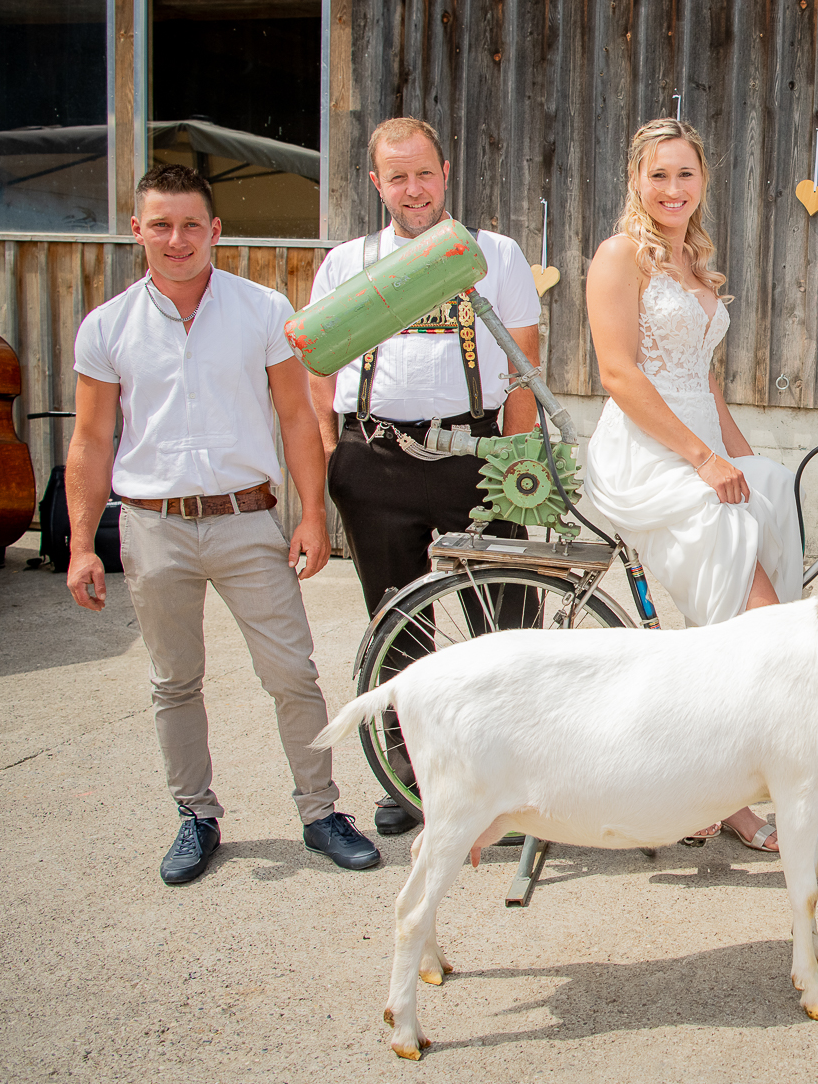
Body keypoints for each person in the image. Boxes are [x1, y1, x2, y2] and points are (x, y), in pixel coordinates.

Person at [64, 164, 380, 884]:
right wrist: (82, 544)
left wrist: (311, 517)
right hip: (153, 525)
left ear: (215, 230)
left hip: (246, 520)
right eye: (161, 225)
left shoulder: (262, 309)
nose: (176, 239)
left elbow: (296, 416)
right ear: (137, 230)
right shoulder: (107, 326)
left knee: (292, 674)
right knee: (174, 681)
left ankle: (321, 812)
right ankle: (195, 816)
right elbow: (91, 439)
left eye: (190, 225)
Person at [306, 117, 541, 836]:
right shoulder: (347, 264)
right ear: (376, 183)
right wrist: (335, 462)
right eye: (397, 177)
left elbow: (522, 370)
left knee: (507, 619)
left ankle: (518, 774)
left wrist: (518, 463)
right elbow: (319, 373)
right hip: (376, 456)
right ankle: (411, 778)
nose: (414, 189)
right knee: (397, 625)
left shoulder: (495, 254)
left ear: (446, 171)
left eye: (424, 173)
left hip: (477, 452)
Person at [581, 118, 800, 853]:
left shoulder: (694, 262)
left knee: (771, 497)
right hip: (647, 453)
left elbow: (703, 380)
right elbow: (619, 374)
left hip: (699, 442)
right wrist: (704, 461)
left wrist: (742, 458)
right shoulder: (620, 256)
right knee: (758, 622)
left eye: (685, 174)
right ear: (636, 181)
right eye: (659, 175)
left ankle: (714, 785)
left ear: (703, 182)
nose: (673, 189)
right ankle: (722, 791)